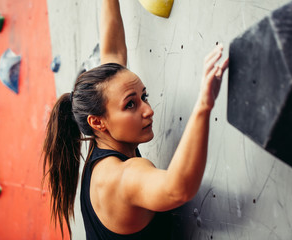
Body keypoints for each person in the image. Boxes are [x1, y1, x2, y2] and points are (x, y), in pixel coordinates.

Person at [42, 0, 229, 239]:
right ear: (97, 122)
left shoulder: (102, 137)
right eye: (131, 104)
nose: (148, 110)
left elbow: (114, 54)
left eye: (144, 96)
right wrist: (204, 104)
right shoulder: (121, 176)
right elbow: (177, 189)